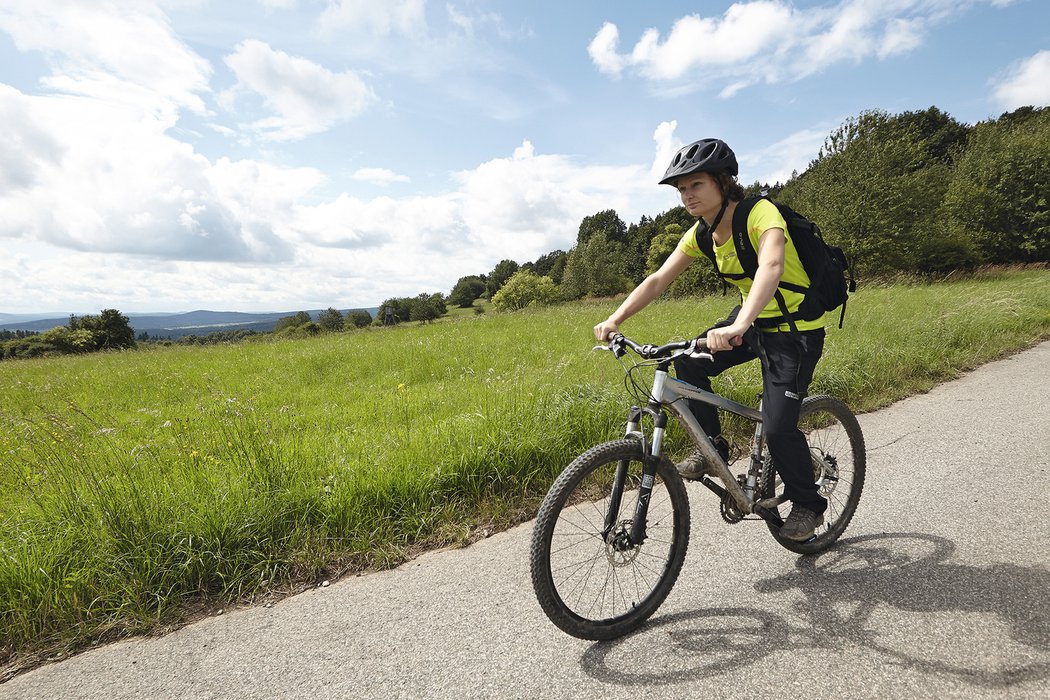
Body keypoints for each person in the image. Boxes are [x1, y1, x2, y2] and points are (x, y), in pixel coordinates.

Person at [592, 138, 827, 542]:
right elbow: (657, 280)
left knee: (777, 427)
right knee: (686, 360)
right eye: (681, 189)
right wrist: (615, 318)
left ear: (722, 181)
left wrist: (737, 327)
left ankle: (808, 503)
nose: (687, 195)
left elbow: (772, 265)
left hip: (794, 331)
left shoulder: (760, 213)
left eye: (695, 185)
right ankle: (712, 447)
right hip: (752, 323)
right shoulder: (702, 233)